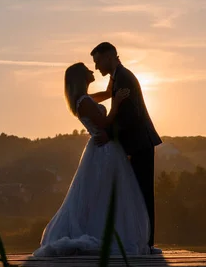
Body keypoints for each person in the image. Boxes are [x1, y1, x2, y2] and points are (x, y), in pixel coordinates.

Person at [32, 62, 150, 257]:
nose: (91, 70)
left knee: (100, 193)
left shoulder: (84, 99)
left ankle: (106, 229)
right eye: (87, 69)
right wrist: (117, 103)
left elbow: (105, 94)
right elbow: (104, 122)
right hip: (103, 150)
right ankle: (104, 233)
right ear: (80, 77)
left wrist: (113, 79)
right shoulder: (84, 102)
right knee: (105, 192)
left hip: (102, 149)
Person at [90, 42, 163, 254]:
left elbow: (130, 116)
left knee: (142, 193)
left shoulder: (123, 78)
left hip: (139, 143)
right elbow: (107, 95)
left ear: (109, 56)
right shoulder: (117, 77)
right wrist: (80, 99)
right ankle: (141, 240)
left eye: (98, 61)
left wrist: (109, 134)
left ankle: (146, 243)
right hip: (134, 143)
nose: (96, 68)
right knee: (134, 193)